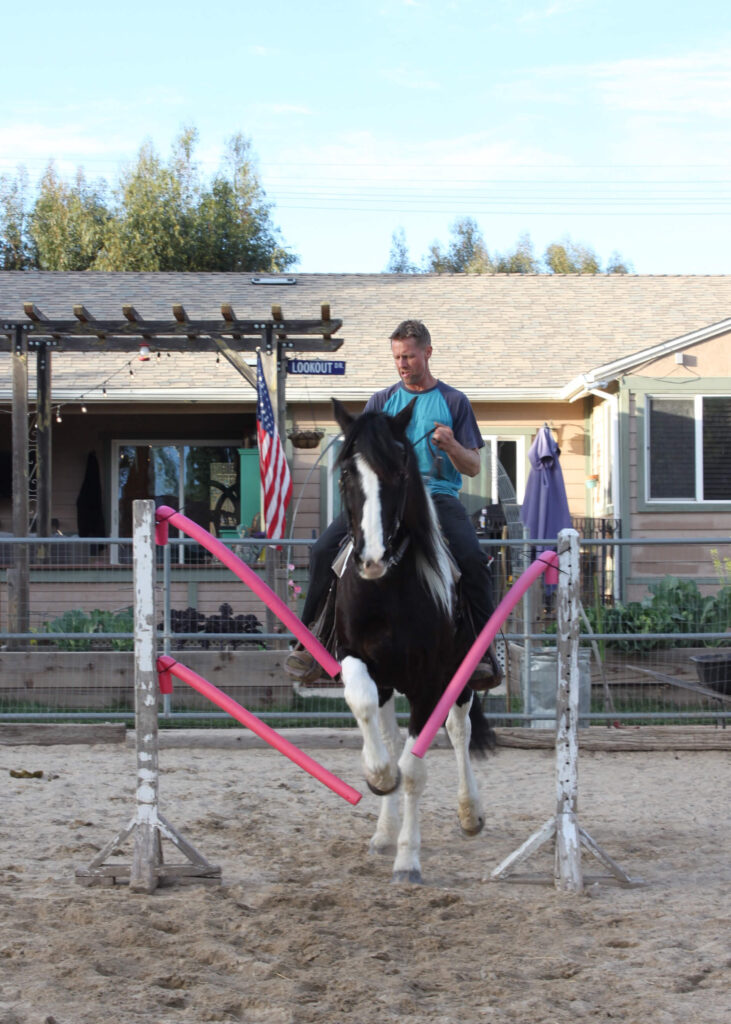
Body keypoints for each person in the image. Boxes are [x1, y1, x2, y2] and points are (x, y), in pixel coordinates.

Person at [285, 319, 500, 687]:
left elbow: (474, 466)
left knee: (473, 560)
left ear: (427, 353)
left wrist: (451, 446)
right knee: (322, 550)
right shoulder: (382, 402)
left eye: (409, 356)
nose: (403, 364)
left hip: (437, 498)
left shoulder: (453, 401)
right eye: (398, 357)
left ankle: (482, 653)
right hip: (383, 498)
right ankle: (310, 643)